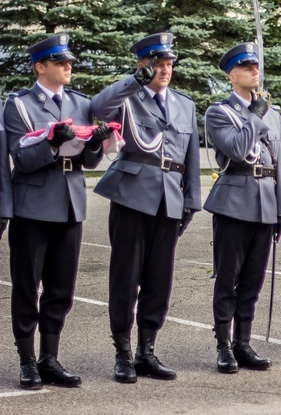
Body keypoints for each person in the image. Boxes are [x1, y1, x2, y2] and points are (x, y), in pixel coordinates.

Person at [91, 33, 202, 383]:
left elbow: (192, 158)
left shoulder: (185, 105)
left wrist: (192, 201)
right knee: (126, 278)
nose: (165, 70)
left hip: (170, 197)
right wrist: (132, 81)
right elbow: (97, 108)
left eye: (169, 64)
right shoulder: (129, 97)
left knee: (159, 280)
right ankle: (122, 353)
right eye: (158, 63)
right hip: (132, 195)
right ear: (143, 64)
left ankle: (147, 351)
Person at [5, 34, 108, 389]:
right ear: (40, 67)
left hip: (70, 205)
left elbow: (89, 160)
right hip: (32, 206)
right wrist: (50, 142)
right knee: (26, 287)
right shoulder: (19, 105)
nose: (68, 67)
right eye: (60, 62)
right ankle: (27, 360)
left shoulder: (80, 103)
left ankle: (50, 357)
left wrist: (95, 143)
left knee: (61, 289)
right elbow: (22, 159)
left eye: (69, 62)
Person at [203, 42, 281, 373]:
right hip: (234, 201)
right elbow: (238, 149)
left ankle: (243, 342)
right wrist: (254, 116)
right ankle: (224, 345)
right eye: (247, 67)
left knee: (253, 279)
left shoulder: (273, 113)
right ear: (232, 75)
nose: (255, 71)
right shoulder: (219, 112)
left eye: (256, 67)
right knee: (228, 278)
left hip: (267, 203)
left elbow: (280, 165)